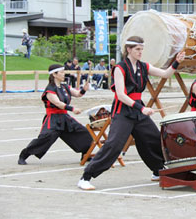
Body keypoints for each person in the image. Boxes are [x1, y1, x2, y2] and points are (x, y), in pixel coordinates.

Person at [77, 36, 185, 190]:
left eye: (142, 49)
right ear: (129, 49)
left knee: (153, 138)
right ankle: (86, 177)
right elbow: (121, 95)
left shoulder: (143, 66)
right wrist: (142, 108)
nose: (141, 52)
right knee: (114, 144)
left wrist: (177, 61)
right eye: (137, 49)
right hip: (123, 111)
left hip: (138, 110)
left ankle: (158, 171)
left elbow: (166, 74)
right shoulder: (120, 68)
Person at [18, 64, 92, 165]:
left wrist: (84, 89)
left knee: (83, 132)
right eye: (61, 72)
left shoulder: (65, 86)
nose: (63, 74)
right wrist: (73, 109)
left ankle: (85, 154)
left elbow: (78, 94)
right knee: (45, 138)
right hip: (53, 118)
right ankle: (24, 154)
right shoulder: (50, 89)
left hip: (65, 118)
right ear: (54, 74)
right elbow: (58, 103)